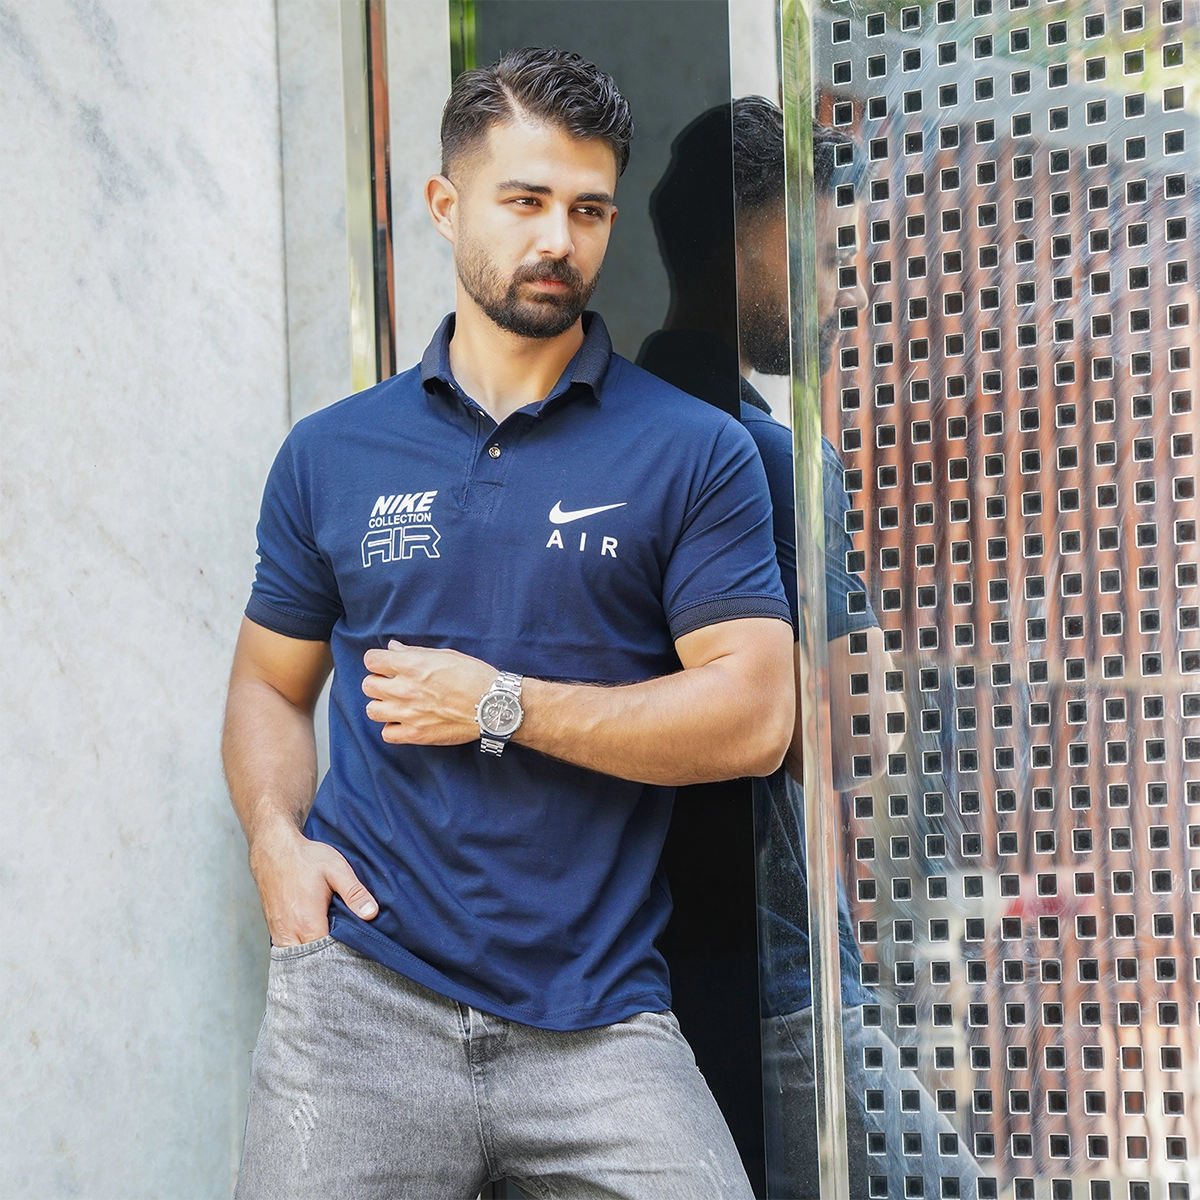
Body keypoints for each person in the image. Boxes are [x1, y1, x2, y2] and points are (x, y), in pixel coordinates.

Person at [222, 47, 795, 1199]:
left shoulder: (695, 451)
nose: (558, 240)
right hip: (361, 1000)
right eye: (524, 201)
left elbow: (754, 718)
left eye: (587, 209)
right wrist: (276, 845)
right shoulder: (332, 452)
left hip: (603, 1019)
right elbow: (268, 686)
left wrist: (499, 704)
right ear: (446, 205)